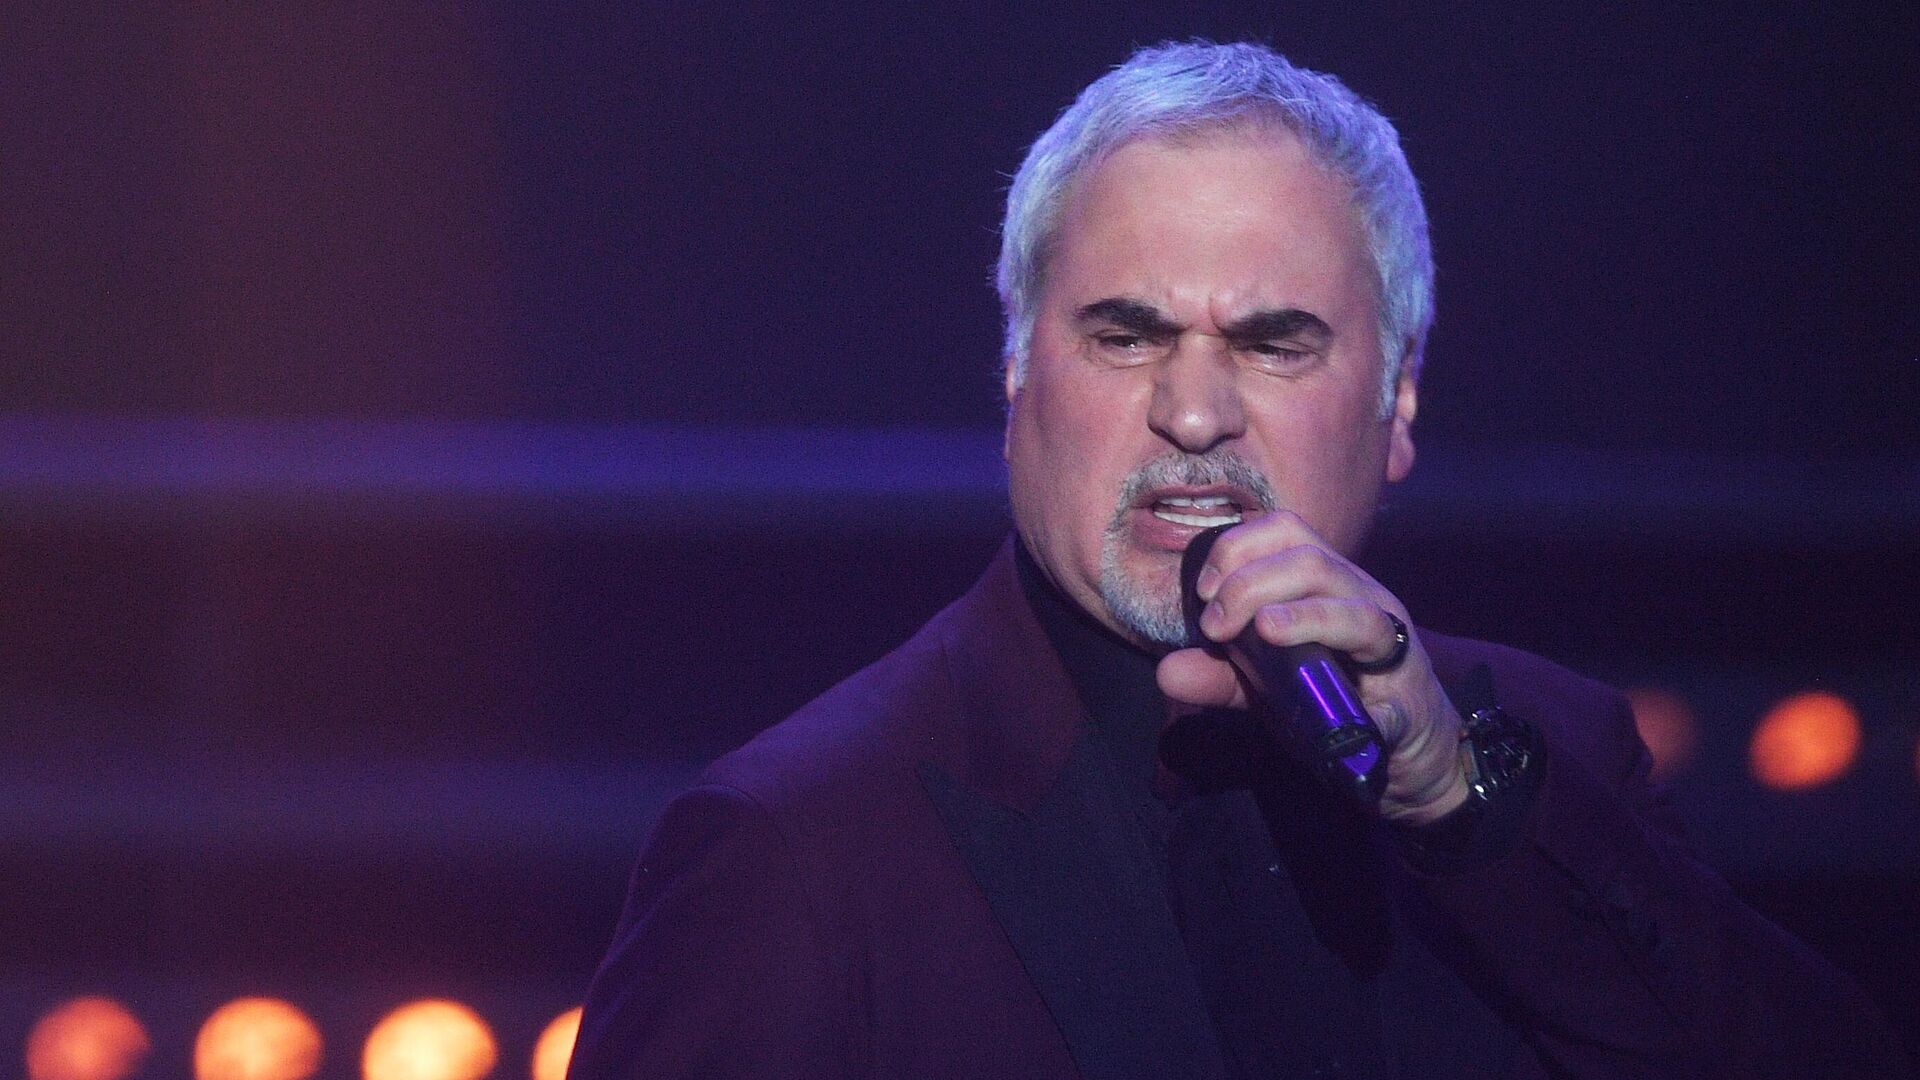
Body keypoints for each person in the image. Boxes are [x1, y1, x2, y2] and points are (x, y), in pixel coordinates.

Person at [568, 41, 1907, 1079]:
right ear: (1018, 373)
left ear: (1398, 403)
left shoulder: (1545, 755)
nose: (1196, 415)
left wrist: (1461, 804)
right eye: (1126, 336)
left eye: (1273, 344)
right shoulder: (796, 851)